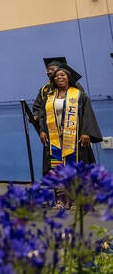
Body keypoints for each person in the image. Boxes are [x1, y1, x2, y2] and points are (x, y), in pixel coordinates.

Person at [38, 64, 101, 207]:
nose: (59, 77)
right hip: (55, 138)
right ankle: (61, 199)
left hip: (74, 138)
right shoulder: (49, 96)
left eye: (63, 75)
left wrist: (86, 132)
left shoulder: (78, 94)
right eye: (57, 76)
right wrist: (42, 130)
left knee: (74, 168)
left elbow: (87, 114)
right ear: (53, 80)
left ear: (69, 78)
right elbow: (42, 115)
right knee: (57, 168)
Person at [31, 57, 66, 172]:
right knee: (55, 161)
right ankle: (58, 187)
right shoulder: (45, 90)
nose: (48, 72)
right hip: (52, 132)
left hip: (71, 130)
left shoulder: (73, 88)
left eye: (51, 69)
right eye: (47, 70)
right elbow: (38, 107)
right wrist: (36, 116)